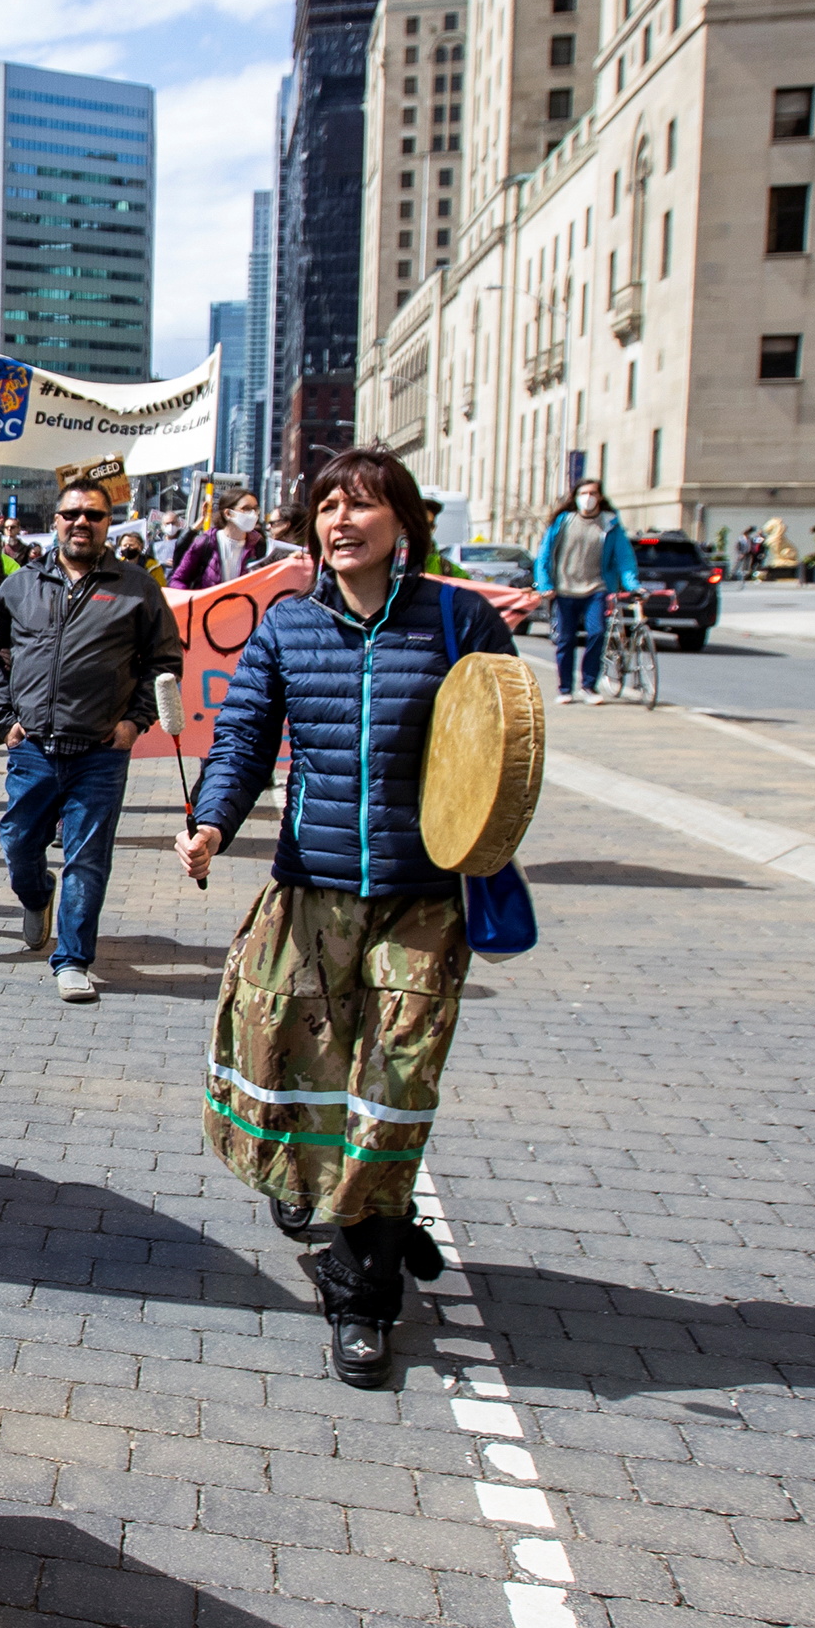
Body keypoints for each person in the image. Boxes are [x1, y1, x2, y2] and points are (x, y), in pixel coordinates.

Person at [178, 445, 511, 1393]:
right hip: (313, 887)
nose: (343, 520)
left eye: (364, 504)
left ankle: (363, 1291)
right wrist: (210, 825)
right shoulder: (289, 626)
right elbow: (243, 736)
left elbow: (503, 749)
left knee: (394, 1085)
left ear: (403, 521)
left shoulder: (460, 619)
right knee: (299, 1063)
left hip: (422, 899)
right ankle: (341, 1196)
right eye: (328, 505)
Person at [0, 478, 182, 1004]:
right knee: (19, 843)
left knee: (88, 858)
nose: (82, 523)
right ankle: (37, 894)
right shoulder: (22, 584)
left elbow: (164, 664)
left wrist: (134, 723)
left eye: (94, 515)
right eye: (72, 514)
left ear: (109, 523)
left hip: (99, 753)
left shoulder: (136, 587)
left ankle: (71, 959)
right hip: (33, 749)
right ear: (57, 521)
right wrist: (4, 720)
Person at [533, 479, 636, 704]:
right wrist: (545, 585)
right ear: (576, 497)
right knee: (565, 640)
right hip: (564, 590)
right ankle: (565, 688)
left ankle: (588, 686)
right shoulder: (563, 522)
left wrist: (632, 584)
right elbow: (543, 556)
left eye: (592, 493)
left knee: (597, 633)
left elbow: (624, 558)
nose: (588, 497)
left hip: (596, 589)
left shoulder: (609, 524)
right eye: (583, 493)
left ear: (600, 497)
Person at [179, 492, 274, 591]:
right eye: (246, 508)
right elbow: (179, 579)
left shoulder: (260, 546)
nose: (253, 514)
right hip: (210, 605)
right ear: (228, 513)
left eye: (255, 509)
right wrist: (194, 601)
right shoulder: (206, 542)